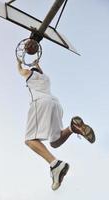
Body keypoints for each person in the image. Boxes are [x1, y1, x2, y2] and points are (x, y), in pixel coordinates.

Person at [16, 59, 95, 190]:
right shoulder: (45, 78)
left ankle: (55, 164)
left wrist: (19, 61)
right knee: (55, 141)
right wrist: (36, 63)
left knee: (29, 140)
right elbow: (39, 70)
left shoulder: (30, 74)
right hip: (56, 105)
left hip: (41, 103)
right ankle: (73, 128)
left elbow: (20, 71)